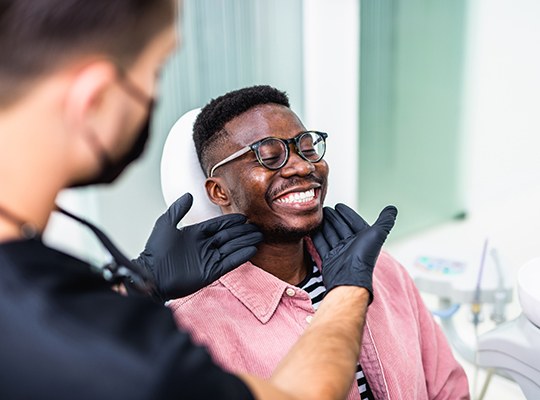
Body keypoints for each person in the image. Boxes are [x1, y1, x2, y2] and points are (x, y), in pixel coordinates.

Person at [0, 1, 397, 399]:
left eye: (305, 147)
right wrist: (347, 290)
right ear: (96, 97)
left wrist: (138, 282)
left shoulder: (39, 305)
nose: (297, 166)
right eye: (154, 71)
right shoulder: (135, 347)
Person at [167, 85, 471, 400]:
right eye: (270, 156)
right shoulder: (192, 330)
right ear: (219, 192)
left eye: (308, 148)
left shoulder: (377, 268)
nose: (302, 166)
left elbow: (449, 390)